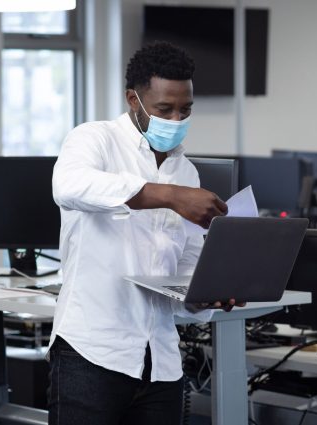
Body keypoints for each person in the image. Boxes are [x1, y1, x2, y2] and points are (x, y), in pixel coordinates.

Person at [48, 41, 240, 425]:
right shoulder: (95, 138)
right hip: (91, 353)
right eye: (164, 109)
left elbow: (183, 265)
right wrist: (168, 196)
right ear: (133, 99)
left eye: (185, 110)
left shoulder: (185, 172)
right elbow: (68, 186)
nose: (176, 118)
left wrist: (201, 295)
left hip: (160, 362)